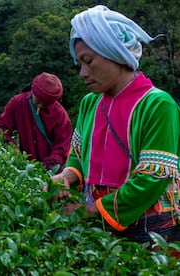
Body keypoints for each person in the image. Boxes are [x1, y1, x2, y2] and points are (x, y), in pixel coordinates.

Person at [51, 5, 180, 244]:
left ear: (114, 53)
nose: (83, 73)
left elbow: (151, 179)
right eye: (79, 63)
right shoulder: (90, 103)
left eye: (88, 61)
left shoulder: (158, 105)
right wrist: (66, 176)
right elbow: (78, 156)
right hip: (98, 224)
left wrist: (86, 211)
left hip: (149, 228)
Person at [0, 72, 73, 172]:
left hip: (50, 172)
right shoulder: (18, 103)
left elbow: (60, 150)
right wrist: (13, 148)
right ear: (33, 91)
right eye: (38, 101)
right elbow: (0, 127)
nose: (39, 106)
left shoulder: (60, 116)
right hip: (22, 169)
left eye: (45, 104)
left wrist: (43, 168)